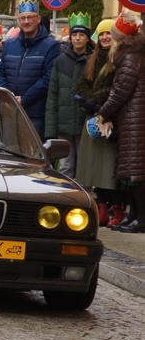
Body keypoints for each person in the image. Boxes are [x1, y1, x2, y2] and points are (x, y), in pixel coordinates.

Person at [74, 18, 127, 228]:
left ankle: (118, 208)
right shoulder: (92, 59)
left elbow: (116, 89)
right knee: (94, 168)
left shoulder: (120, 59)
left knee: (109, 169)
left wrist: (96, 102)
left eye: (109, 34)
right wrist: (89, 102)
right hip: (93, 118)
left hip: (110, 119)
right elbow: (81, 86)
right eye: (102, 34)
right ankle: (101, 208)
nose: (105, 37)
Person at [97, 13, 145, 232]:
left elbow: (120, 91)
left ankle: (140, 218)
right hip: (132, 117)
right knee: (131, 172)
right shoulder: (134, 53)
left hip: (136, 118)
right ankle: (134, 216)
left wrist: (102, 113)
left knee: (136, 173)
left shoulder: (130, 56)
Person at [0, 0, 61, 140]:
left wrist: (24, 100)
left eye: (30, 17)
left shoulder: (51, 46)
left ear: (38, 19)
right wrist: (8, 96)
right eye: (22, 18)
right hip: (9, 109)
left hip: (35, 113)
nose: (26, 22)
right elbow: (0, 72)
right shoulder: (9, 44)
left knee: (32, 156)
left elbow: (48, 78)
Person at [44, 13, 93, 179]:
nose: (77, 38)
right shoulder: (60, 61)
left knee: (85, 167)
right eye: (74, 35)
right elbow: (53, 95)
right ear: (70, 38)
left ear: (88, 38)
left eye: (82, 35)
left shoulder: (93, 60)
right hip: (64, 123)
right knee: (66, 167)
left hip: (83, 122)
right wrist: (51, 127)